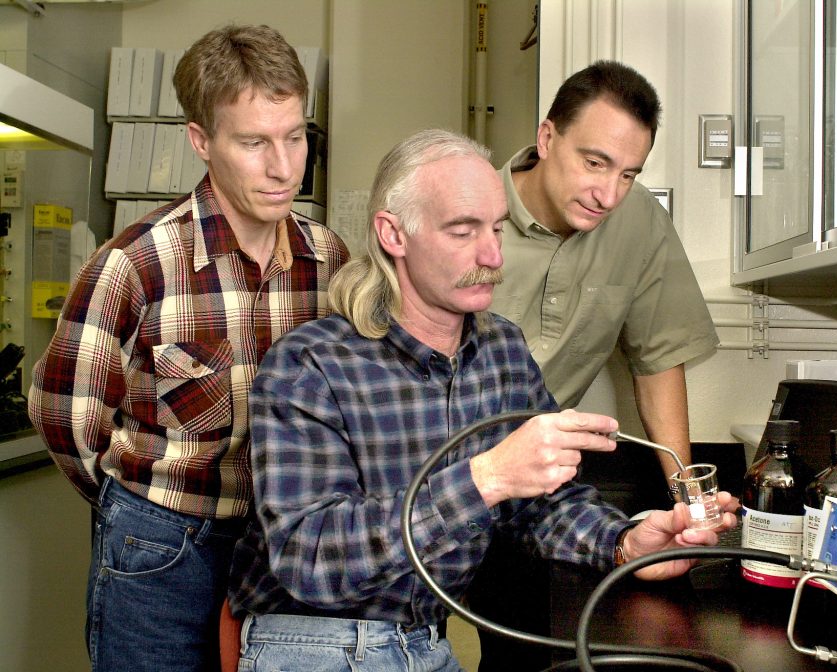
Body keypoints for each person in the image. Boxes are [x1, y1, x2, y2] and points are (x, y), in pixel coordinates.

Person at [225, 128, 739, 671]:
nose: (493, 254)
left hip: (425, 640)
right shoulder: (311, 363)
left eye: (495, 228)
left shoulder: (502, 351)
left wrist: (626, 543)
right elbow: (310, 559)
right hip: (311, 641)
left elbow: (543, 503)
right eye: (463, 231)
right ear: (393, 235)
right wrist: (486, 477)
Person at [27, 24, 348, 672]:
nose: (284, 166)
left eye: (295, 138)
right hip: (162, 551)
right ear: (202, 141)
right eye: (254, 143)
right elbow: (61, 411)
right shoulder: (136, 262)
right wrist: (137, 504)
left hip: (280, 549)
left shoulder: (330, 260)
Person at [471, 60, 720, 671]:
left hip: (538, 494)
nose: (608, 194)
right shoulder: (470, 211)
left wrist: (689, 500)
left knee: (528, 652)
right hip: (439, 471)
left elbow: (658, 359)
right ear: (547, 138)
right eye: (595, 162)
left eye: (629, 174)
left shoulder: (638, 225)